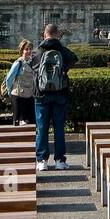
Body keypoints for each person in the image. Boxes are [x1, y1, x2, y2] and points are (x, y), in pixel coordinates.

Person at [32, 23, 78, 171]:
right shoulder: (62, 50)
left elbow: (32, 66)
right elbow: (74, 59)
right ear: (57, 34)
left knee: (42, 128)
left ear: (44, 34)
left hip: (41, 95)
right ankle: (59, 160)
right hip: (60, 93)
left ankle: (42, 160)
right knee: (59, 128)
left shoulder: (38, 51)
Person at [4, 39, 37, 126]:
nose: (29, 51)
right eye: (26, 49)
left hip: (30, 96)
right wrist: (9, 91)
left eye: (30, 49)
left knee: (31, 122)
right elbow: (9, 79)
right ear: (22, 50)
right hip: (18, 96)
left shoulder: (33, 63)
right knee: (18, 122)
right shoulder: (18, 63)